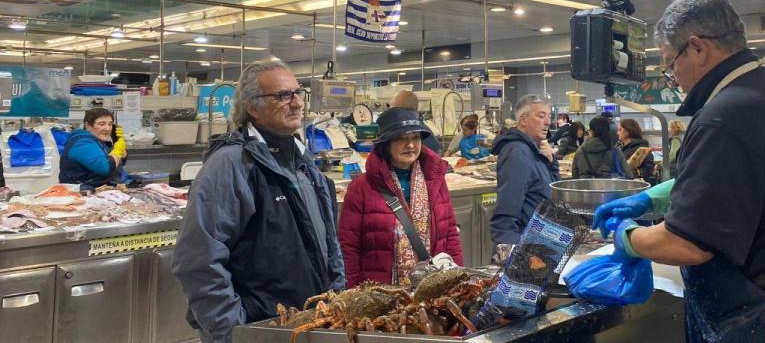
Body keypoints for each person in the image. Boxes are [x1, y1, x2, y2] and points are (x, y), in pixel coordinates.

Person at [591, 0, 765, 342]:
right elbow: (740, 182)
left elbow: (687, 245)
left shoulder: (724, 115)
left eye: (670, 62)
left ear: (698, 47)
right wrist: (655, 198)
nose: (672, 77)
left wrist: (628, 237)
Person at [173, 60, 344, 343]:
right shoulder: (231, 165)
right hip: (261, 328)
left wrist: (335, 302)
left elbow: (329, 245)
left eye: (298, 93)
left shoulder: (304, 163)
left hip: (312, 324)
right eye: (282, 96)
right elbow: (197, 260)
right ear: (252, 107)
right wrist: (234, 332)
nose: (296, 103)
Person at [339, 107, 463, 287]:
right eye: (401, 138)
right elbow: (349, 248)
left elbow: (450, 233)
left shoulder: (435, 180)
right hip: (380, 297)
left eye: (415, 137)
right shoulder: (361, 188)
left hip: (431, 292)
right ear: (386, 144)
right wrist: (350, 293)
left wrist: (457, 279)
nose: (411, 145)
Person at [489, 95, 560, 247]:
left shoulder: (535, 150)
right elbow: (506, 212)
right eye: (541, 116)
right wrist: (513, 254)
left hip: (541, 241)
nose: (548, 122)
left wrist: (551, 162)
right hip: (527, 246)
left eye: (549, 116)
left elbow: (554, 191)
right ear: (523, 120)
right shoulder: (518, 153)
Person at [59, 107, 127, 190]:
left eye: (110, 124)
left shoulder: (97, 140)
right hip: (81, 194)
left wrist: (121, 152)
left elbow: (116, 163)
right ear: (87, 126)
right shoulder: (82, 143)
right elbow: (105, 168)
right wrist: (117, 151)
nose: (107, 128)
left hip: (96, 189)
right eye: (102, 124)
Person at [617, 118, 655, 184]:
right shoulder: (621, 147)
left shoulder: (641, 148)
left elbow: (649, 168)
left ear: (628, 131)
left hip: (636, 185)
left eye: (620, 130)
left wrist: (635, 172)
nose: (617, 133)